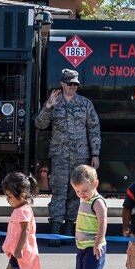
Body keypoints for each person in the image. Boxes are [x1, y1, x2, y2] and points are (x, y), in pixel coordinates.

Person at [35, 68, 101, 246]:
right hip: (60, 156)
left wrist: (95, 153)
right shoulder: (54, 102)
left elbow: (93, 129)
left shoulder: (85, 104)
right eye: (70, 83)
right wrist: (48, 106)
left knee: (76, 193)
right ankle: (56, 229)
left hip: (81, 156)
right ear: (62, 83)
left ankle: (69, 228)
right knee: (59, 192)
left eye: (76, 84)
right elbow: (40, 124)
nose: (73, 87)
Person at [69, 164, 125, 269]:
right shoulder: (85, 200)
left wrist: (98, 242)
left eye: (84, 190)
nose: (81, 193)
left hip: (94, 246)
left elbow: (102, 223)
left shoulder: (97, 202)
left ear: (96, 184)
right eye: (77, 191)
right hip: (83, 245)